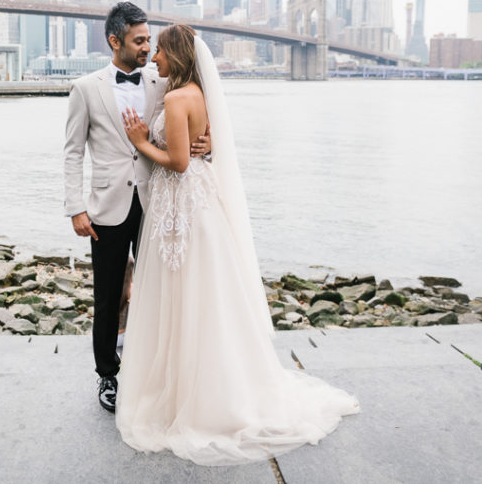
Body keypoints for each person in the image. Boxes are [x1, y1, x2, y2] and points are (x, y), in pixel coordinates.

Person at [115, 24, 359, 466]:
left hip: (181, 205)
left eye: (161, 53)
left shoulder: (174, 97)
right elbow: (202, 148)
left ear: (177, 53)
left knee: (181, 294)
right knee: (208, 297)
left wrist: (139, 142)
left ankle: (186, 398)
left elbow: (179, 161)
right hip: (200, 207)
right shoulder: (200, 94)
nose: (154, 59)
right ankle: (218, 387)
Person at [64, 2, 208, 414]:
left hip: (157, 203)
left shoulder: (162, 82)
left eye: (150, 40)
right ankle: (107, 374)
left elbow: (199, 119)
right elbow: (73, 153)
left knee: (161, 292)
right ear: (115, 41)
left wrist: (208, 143)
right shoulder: (85, 89)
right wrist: (76, 207)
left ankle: (155, 372)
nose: (148, 47)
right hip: (106, 208)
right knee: (108, 297)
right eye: (139, 40)